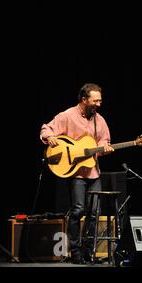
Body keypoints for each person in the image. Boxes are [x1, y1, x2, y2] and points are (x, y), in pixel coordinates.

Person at [40, 83, 114, 264]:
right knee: (78, 210)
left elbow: (104, 140)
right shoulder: (67, 115)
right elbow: (46, 129)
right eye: (95, 100)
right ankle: (75, 252)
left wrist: (105, 147)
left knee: (94, 213)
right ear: (84, 100)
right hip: (75, 172)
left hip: (93, 172)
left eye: (100, 100)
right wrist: (50, 137)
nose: (98, 104)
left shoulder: (100, 120)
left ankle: (89, 252)